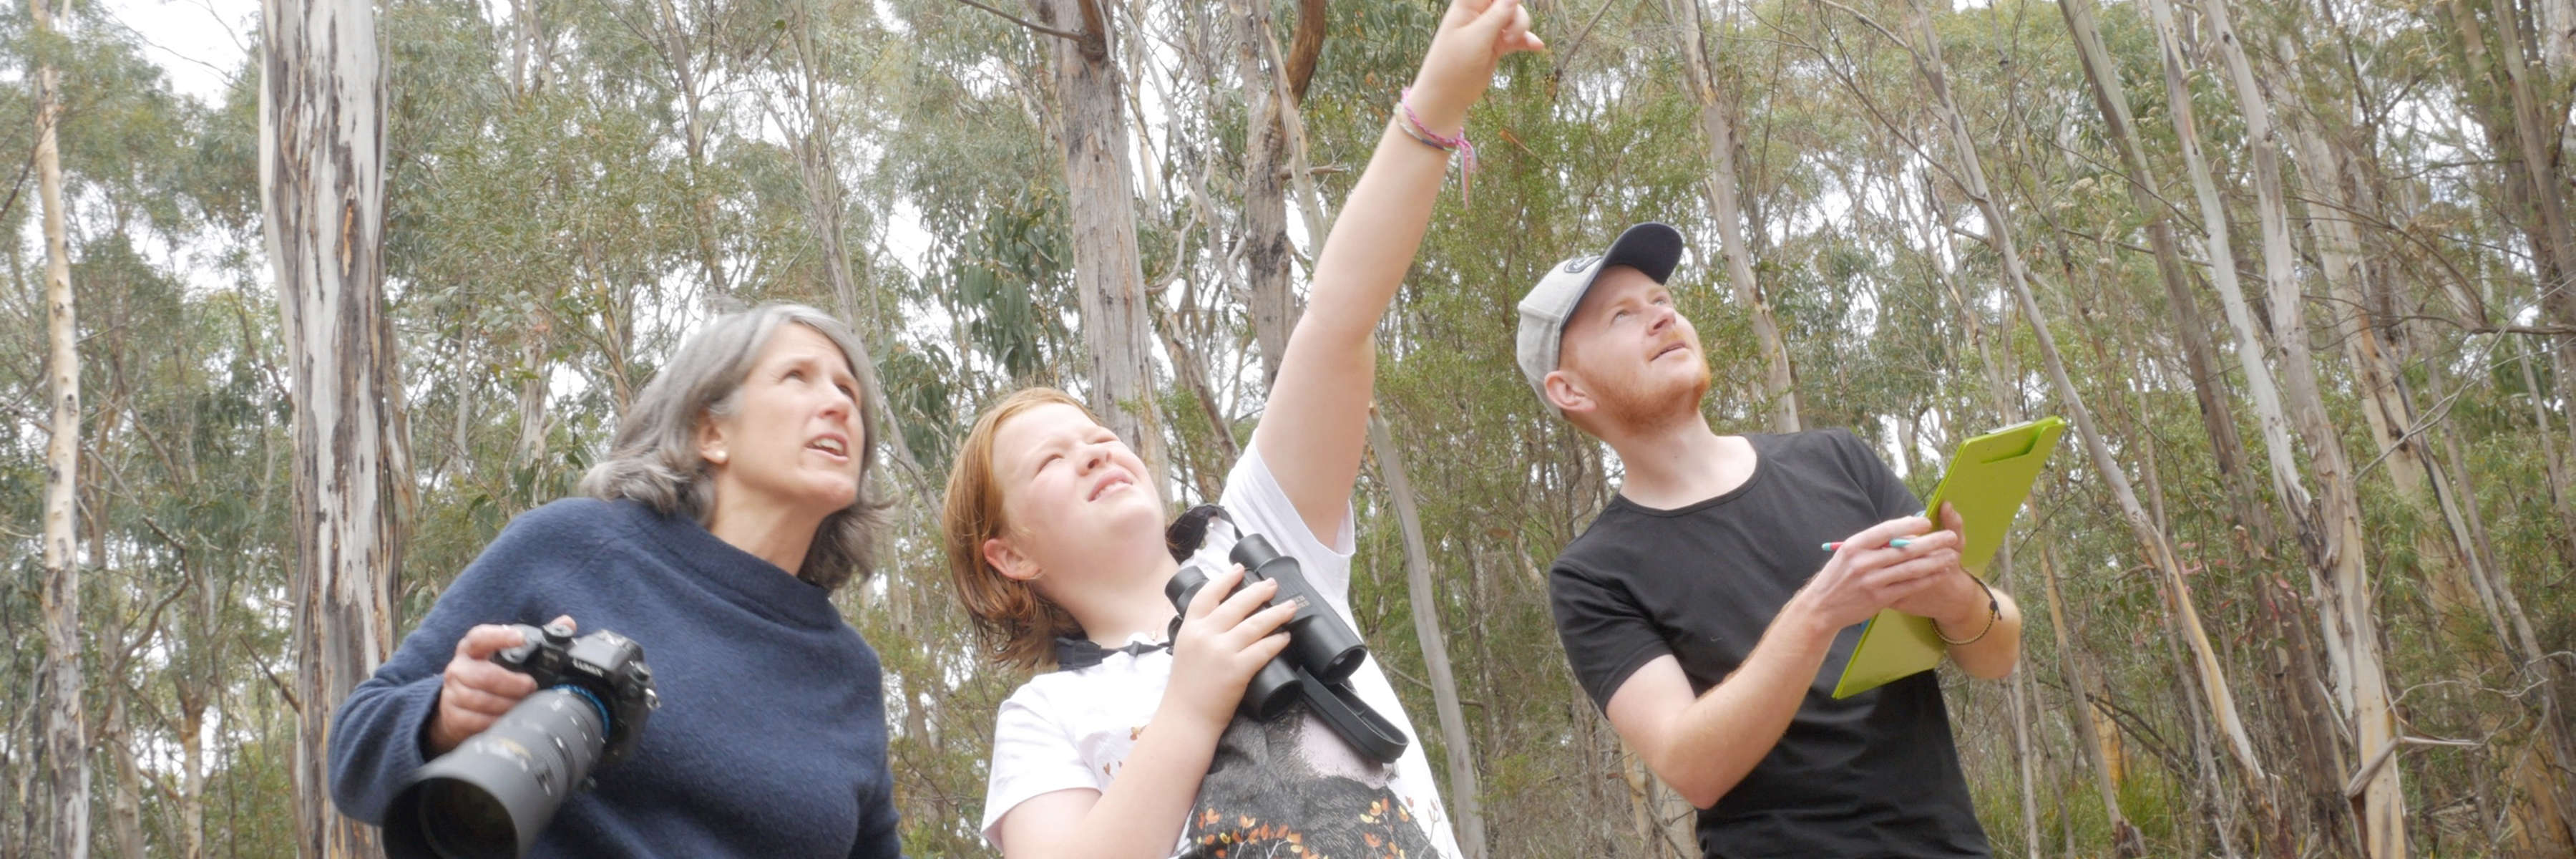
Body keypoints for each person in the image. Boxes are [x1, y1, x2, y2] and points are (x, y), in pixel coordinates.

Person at [936, 4, 1541, 856]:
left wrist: (1435, 103)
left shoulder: (1258, 542)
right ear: (1011, 555)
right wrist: (1190, 706)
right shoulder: (1046, 717)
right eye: (1050, 462)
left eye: (1098, 434)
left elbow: (1336, 322)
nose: (1096, 450)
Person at [1519, 223, 2024, 858]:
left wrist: (1956, 597)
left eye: (1662, 302)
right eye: (1622, 315)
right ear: (1570, 390)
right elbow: (1692, 766)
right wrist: (1820, 610)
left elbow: (1998, 654)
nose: (1660, 319)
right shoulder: (1592, 574)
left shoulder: (1835, 458)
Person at [329, 304, 903, 856]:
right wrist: (444, 718)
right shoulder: (572, 546)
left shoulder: (848, 671)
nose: (837, 403)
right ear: (711, 432)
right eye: (798, 376)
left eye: (848, 390)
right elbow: (355, 749)